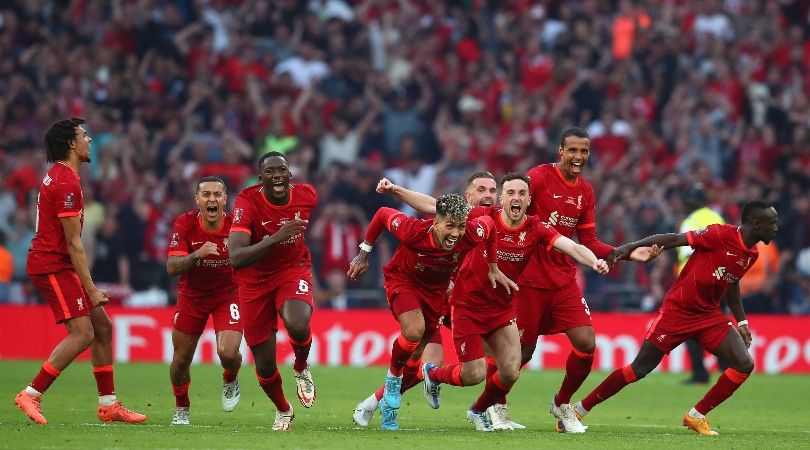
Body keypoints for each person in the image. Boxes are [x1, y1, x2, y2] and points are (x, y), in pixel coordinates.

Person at [419, 173, 617, 431]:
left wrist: (594, 262)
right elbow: (433, 206)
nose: (516, 198)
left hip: (502, 307)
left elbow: (571, 246)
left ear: (528, 199)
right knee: (474, 374)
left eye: (521, 194)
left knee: (512, 369)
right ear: (502, 199)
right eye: (511, 193)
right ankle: (433, 374)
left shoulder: (535, 227)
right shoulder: (484, 215)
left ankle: (479, 410)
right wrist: (396, 190)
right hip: (468, 304)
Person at [572, 201, 778, 436]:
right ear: (755, 223)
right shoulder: (720, 234)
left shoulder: (751, 253)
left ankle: (696, 415)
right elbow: (673, 239)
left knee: (745, 364)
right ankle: (579, 410)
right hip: (677, 311)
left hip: (708, 315)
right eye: (771, 223)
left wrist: (742, 322)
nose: (775, 228)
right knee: (638, 369)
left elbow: (731, 283)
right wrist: (629, 247)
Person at [14, 118, 147, 425]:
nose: (90, 141)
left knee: (103, 327)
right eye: (85, 136)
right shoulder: (66, 182)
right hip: (52, 265)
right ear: (72, 144)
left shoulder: (62, 176)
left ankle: (108, 405)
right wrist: (90, 289)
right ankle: (31, 393)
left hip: (56, 262)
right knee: (83, 333)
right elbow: (74, 244)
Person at [351, 171, 506, 428]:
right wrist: (364, 253)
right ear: (468, 197)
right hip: (407, 282)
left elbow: (488, 232)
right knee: (414, 331)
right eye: (481, 190)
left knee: (420, 362)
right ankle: (394, 383)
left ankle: (373, 402)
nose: (488, 195)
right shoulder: (418, 229)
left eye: (492, 190)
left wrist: (492, 267)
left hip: (445, 294)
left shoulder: (479, 225)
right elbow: (385, 213)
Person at [510, 127, 618, 432]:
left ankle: (562, 403)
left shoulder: (585, 191)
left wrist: (623, 253)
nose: (578, 157)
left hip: (563, 280)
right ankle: (493, 404)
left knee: (586, 344)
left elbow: (590, 241)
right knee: (522, 352)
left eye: (584, 151)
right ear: (560, 151)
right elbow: (511, 210)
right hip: (528, 278)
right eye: (572, 150)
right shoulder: (539, 178)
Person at [227, 151, 317, 431]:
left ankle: (301, 367)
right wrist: (276, 238)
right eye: (270, 172)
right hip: (253, 282)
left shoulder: (308, 196)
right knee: (265, 366)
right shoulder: (248, 201)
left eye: (282, 170)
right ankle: (283, 409)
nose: (277, 175)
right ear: (260, 178)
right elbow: (236, 256)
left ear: (290, 175)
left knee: (298, 322)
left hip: (292, 270)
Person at [166, 176, 243, 425]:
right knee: (180, 360)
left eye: (217, 195)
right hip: (192, 297)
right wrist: (197, 254)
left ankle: (230, 378)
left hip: (227, 295)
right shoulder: (185, 223)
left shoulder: (236, 227)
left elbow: (255, 259)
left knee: (228, 352)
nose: (212, 199)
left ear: (225, 200)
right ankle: (182, 407)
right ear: (197, 200)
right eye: (206, 195)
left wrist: (240, 255)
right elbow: (172, 266)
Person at [678, 184, 728, 384]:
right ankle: (727, 366)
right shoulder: (718, 218)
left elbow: (689, 252)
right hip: (721, 280)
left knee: (689, 329)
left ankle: (700, 374)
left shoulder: (690, 221)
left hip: (696, 284)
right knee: (719, 325)